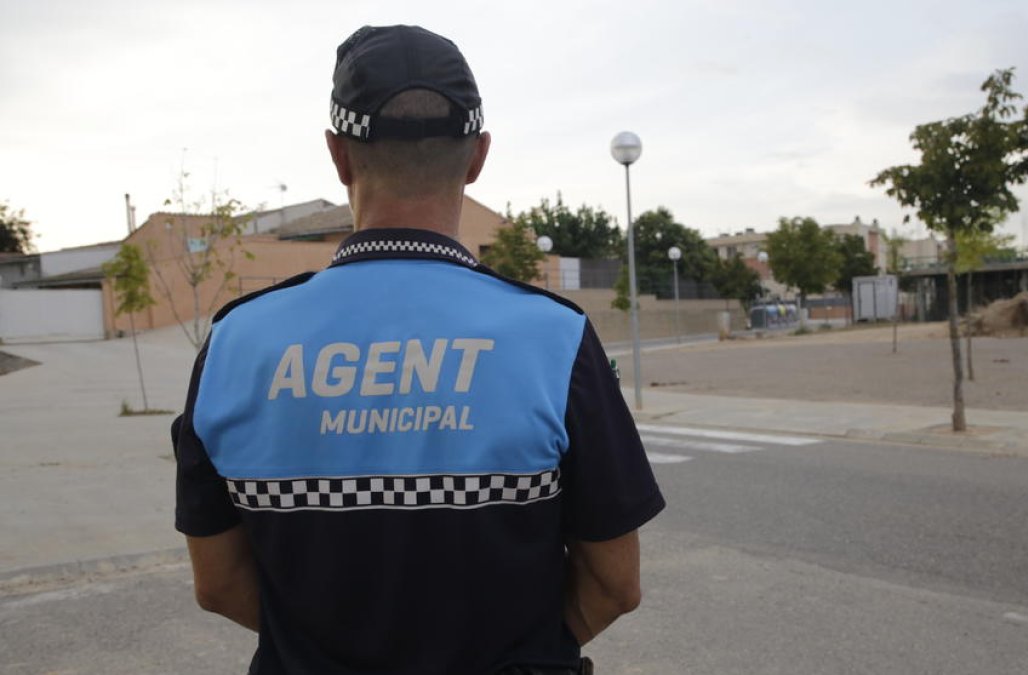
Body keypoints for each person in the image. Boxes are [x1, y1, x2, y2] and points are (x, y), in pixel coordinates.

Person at [173, 24, 664, 675]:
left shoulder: (237, 341)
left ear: (339, 156)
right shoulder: (554, 337)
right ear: (478, 156)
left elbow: (218, 583)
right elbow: (614, 584)